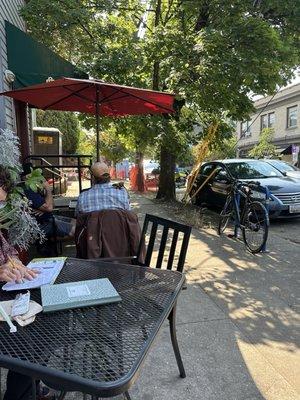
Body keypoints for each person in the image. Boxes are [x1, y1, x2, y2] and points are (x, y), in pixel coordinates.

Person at [22, 163, 75, 238]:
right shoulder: (28, 190)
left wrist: (43, 209)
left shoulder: (34, 188)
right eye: (34, 175)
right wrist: (48, 188)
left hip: (48, 218)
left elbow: (52, 205)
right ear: (28, 176)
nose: (37, 178)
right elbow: (49, 208)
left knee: (75, 222)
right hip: (42, 224)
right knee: (75, 229)